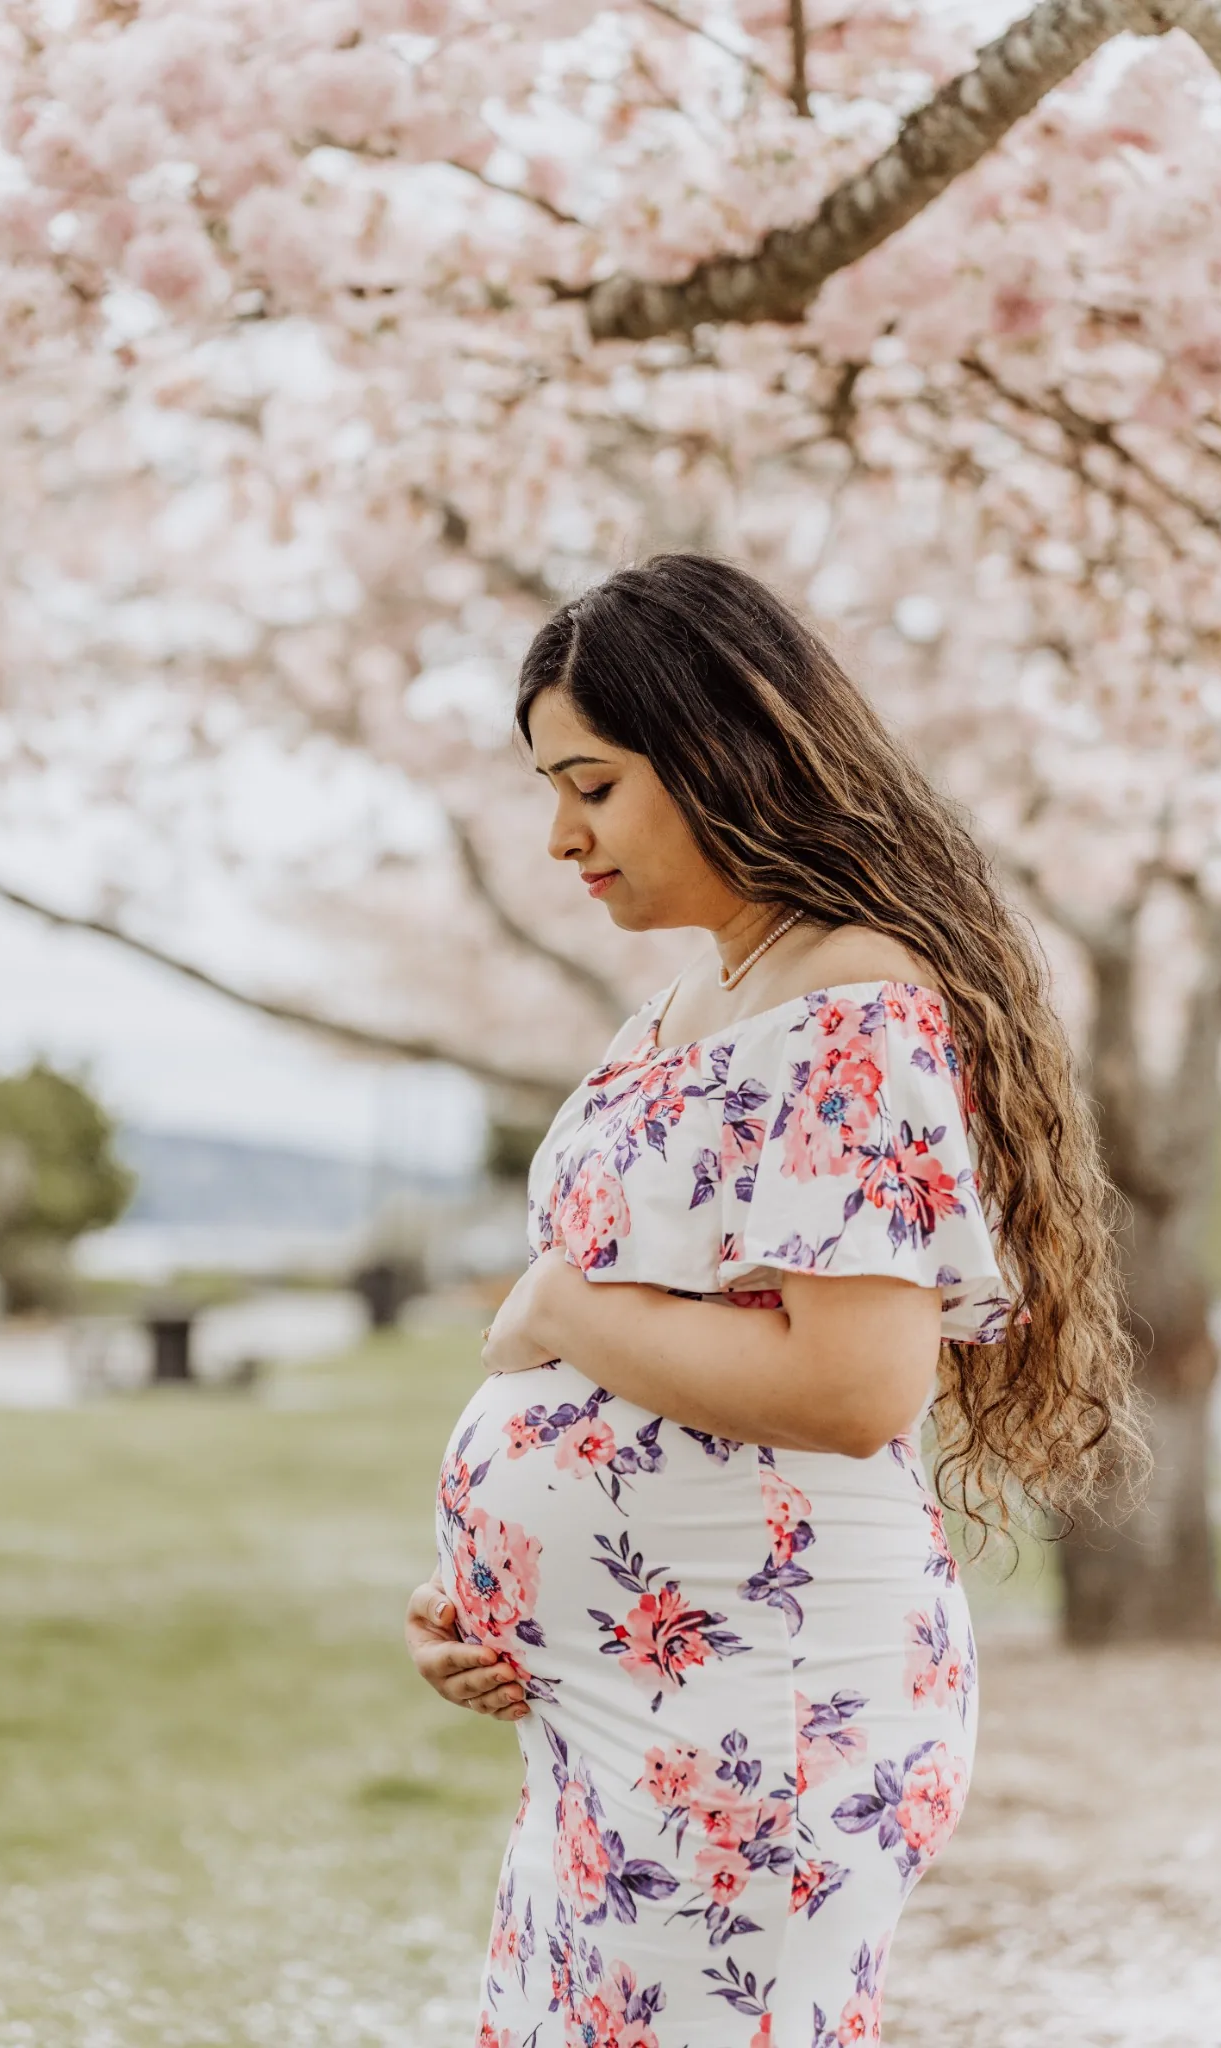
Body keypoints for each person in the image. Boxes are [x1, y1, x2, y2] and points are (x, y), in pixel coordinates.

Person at [403, 553, 1142, 2048]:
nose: (560, 837)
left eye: (593, 787)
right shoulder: (692, 1002)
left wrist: (559, 1304)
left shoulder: (853, 999)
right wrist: (494, 1610)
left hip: (764, 1721)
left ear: (717, 752)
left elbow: (856, 1386)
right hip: (627, 1719)